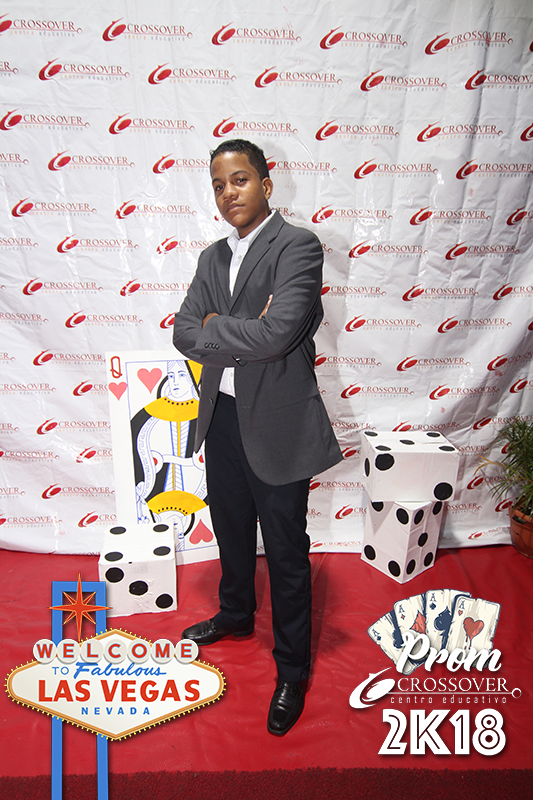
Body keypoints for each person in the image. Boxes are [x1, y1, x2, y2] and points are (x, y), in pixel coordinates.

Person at [172, 138, 342, 735]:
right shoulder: (210, 258)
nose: (228, 193)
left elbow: (279, 334)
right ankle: (236, 613)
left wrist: (216, 327)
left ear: (266, 185)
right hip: (219, 417)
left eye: (239, 180)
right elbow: (183, 332)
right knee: (231, 527)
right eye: (218, 185)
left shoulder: (298, 245)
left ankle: (292, 669)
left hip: (277, 423)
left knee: (287, 549)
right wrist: (237, 327)